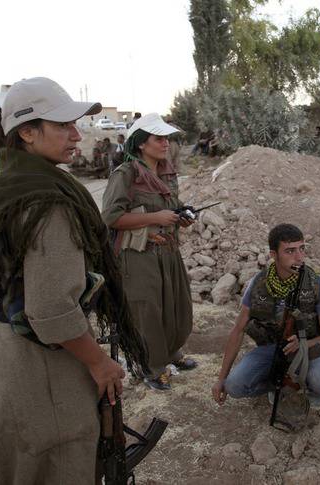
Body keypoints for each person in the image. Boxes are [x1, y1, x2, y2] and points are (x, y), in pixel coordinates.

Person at [0, 77, 149, 484]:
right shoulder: (49, 203)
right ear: (28, 133)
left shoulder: (5, 187)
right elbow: (51, 310)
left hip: (7, 353)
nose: (76, 135)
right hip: (42, 370)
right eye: (63, 126)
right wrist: (99, 363)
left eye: (77, 124)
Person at [102, 113, 197, 391]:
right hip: (139, 255)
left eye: (166, 138)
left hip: (167, 251)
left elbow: (172, 204)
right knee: (148, 312)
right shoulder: (126, 174)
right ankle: (151, 367)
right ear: (141, 144)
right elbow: (110, 217)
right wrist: (155, 218)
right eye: (159, 138)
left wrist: (182, 214)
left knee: (174, 305)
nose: (165, 143)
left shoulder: (166, 171)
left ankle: (171, 353)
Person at [211, 224, 320, 410]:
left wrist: (303, 344)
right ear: (273, 255)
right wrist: (221, 378)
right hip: (272, 347)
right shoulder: (259, 282)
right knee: (234, 386)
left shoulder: (317, 283)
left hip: (308, 348)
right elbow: (238, 330)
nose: (299, 257)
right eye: (290, 251)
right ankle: (277, 384)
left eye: (302, 249)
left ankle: (312, 391)